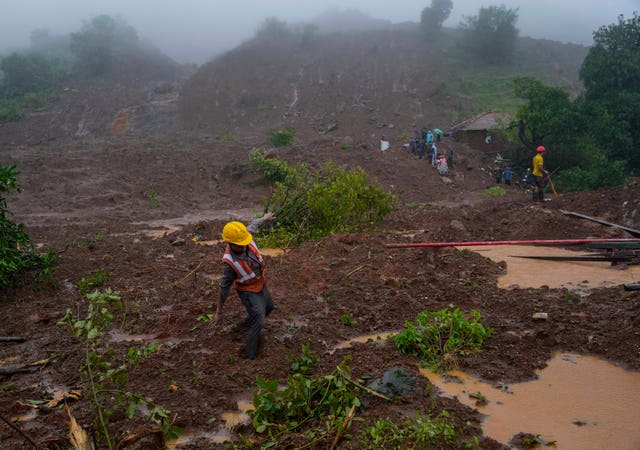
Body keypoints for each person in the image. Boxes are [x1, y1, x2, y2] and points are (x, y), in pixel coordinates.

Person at [215, 213, 276, 359]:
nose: (243, 247)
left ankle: (240, 325)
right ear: (230, 243)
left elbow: (253, 224)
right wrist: (219, 311)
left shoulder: (243, 236)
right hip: (247, 291)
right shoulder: (229, 263)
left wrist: (265, 218)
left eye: (244, 244)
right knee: (259, 320)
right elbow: (224, 287)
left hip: (259, 282)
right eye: (239, 246)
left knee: (269, 307)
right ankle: (249, 355)